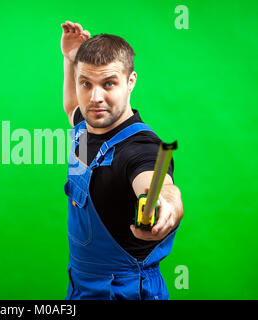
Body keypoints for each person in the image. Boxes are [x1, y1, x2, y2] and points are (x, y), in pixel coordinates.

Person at [60, 21, 184, 300]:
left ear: (131, 82)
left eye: (109, 84)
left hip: (124, 291)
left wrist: (167, 210)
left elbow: (160, 187)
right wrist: (70, 60)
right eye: (86, 83)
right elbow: (72, 106)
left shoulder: (142, 148)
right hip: (81, 286)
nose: (95, 98)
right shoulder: (84, 128)